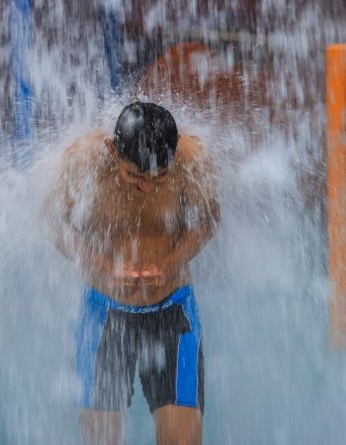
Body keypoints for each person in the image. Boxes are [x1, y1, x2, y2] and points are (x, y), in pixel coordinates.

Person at [46, 101, 219, 445]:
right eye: (135, 176)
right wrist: (106, 268)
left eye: (158, 178)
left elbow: (207, 223)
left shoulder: (193, 159)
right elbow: (57, 227)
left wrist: (170, 265)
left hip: (173, 312)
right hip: (104, 313)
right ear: (113, 150)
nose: (147, 188)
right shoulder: (84, 161)